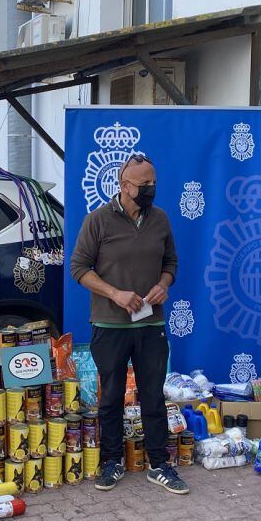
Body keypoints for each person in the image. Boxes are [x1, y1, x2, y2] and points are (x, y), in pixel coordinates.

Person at [69, 152, 188, 495]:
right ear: (124, 185)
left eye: (154, 182)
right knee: (111, 397)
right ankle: (111, 461)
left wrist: (164, 284)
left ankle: (159, 464)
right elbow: (79, 268)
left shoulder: (160, 219)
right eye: (144, 183)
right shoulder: (97, 221)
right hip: (110, 325)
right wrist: (115, 294)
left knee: (153, 396)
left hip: (150, 325)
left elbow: (171, 262)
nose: (151, 188)